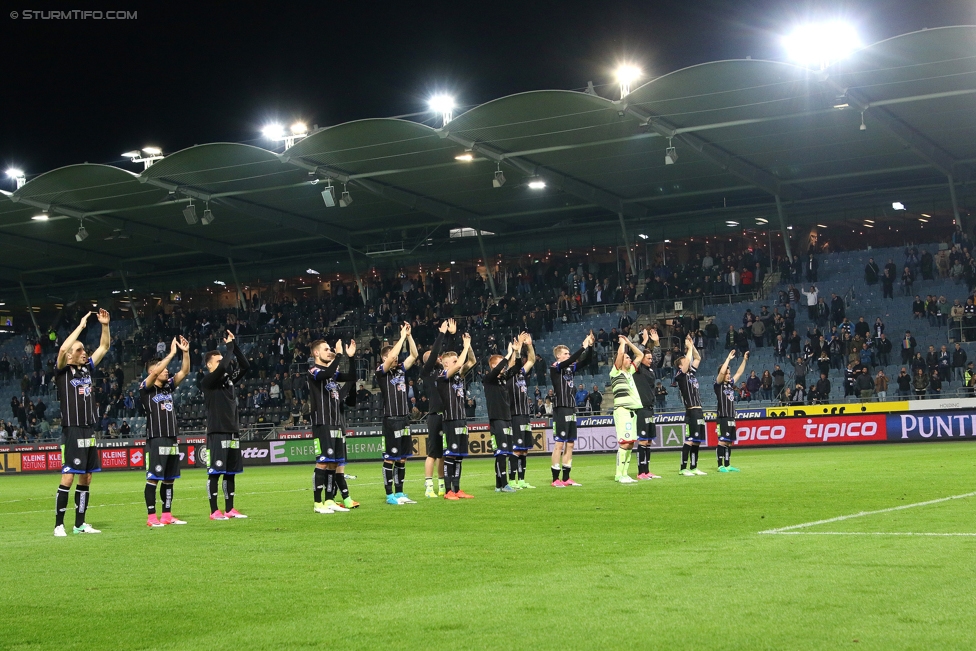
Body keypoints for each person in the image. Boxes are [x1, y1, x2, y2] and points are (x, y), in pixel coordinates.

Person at [53, 309, 111, 537]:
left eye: (84, 350)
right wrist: (80, 326)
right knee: (68, 475)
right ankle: (59, 524)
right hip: (73, 429)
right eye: (79, 350)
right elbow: (62, 348)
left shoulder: (87, 369)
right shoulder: (62, 372)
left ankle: (79, 524)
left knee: (86, 477)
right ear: (69, 355)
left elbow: (104, 347)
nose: (84, 353)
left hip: (89, 428)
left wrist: (105, 325)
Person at [140, 336, 191, 528]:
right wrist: (170, 354)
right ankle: (152, 517)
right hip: (156, 438)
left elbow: (184, 371)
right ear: (153, 371)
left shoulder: (168, 386)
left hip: (171, 438)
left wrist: (185, 353)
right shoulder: (146, 388)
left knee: (169, 479)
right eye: (163, 369)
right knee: (154, 478)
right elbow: (154, 375)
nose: (167, 371)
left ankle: (167, 514)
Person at [200, 330, 250, 521]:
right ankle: (214, 510)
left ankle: (230, 509)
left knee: (230, 472)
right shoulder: (208, 381)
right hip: (217, 431)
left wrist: (235, 346)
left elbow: (245, 365)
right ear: (209, 365)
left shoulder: (228, 380)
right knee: (216, 472)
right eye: (218, 360)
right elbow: (223, 369)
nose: (222, 363)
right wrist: (228, 348)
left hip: (232, 430)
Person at [307, 338, 359, 514]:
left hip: (336, 423)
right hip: (323, 422)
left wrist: (350, 358)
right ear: (316, 353)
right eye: (326, 349)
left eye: (331, 349)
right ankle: (317, 503)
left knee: (333, 464)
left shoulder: (332, 374)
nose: (329, 351)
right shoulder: (313, 370)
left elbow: (352, 377)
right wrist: (337, 355)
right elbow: (324, 374)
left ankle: (329, 499)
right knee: (322, 462)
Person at [376, 323, 420, 505]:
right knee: (390, 457)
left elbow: (415, 355)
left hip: (404, 418)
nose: (395, 358)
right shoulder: (381, 371)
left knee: (402, 458)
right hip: (391, 419)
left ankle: (400, 492)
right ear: (385, 357)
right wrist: (400, 337)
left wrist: (409, 336)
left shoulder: (401, 369)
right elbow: (393, 354)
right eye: (391, 356)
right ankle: (389, 495)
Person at [549, 332, 594, 487]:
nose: (568, 356)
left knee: (570, 444)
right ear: (559, 357)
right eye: (566, 354)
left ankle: (567, 477)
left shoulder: (569, 369)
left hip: (571, 407)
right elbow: (573, 359)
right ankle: (555, 479)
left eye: (569, 353)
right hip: (560, 407)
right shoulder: (555, 368)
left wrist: (590, 347)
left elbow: (587, 361)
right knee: (559, 444)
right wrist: (582, 347)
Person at [439, 333, 476, 499]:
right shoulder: (443, 376)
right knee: (450, 455)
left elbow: (472, 361)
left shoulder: (459, 376)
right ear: (445, 364)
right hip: (450, 419)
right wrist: (465, 346)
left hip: (461, 418)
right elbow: (462, 362)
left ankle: (457, 488)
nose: (457, 363)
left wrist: (470, 346)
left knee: (460, 456)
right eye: (453, 361)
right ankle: (448, 491)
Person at [421, 319, 453, 498]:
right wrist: (441, 334)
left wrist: (452, 335)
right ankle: (428, 486)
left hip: (446, 416)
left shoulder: (443, 374)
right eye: (435, 357)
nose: (439, 358)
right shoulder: (426, 373)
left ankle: (442, 485)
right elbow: (434, 354)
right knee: (432, 453)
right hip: (434, 416)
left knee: (443, 454)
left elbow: (451, 357)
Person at [610, 335, 646, 484]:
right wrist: (622, 344)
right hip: (622, 410)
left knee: (630, 443)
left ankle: (625, 473)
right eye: (626, 358)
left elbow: (640, 355)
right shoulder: (616, 372)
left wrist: (630, 343)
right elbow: (619, 355)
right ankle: (619, 474)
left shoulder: (630, 371)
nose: (629, 360)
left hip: (632, 411)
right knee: (624, 442)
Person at [484, 338, 518, 493]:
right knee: (500, 452)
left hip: (507, 418)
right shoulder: (488, 379)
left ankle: (499, 484)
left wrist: (515, 352)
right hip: (497, 419)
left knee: (505, 452)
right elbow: (500, 369)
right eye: (500, 364)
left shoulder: (503, 379)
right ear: (493, 366)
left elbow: (513, 368)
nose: (504, 368)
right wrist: (508, 353)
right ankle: (504, 484)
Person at [507, 332, 537, 489]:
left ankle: (522, 480)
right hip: (515, 415)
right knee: (516, 450)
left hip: (525, 414)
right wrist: (516, 349)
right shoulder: (508, 376)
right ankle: (512, 480)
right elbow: (514, 361)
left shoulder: (521, 374)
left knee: (524, 450)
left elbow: (532, 359)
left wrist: (529, 345)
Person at [674, 335, 707, 476]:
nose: (688, 362)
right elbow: (688, 361)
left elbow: (698, 358)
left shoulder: (691, 374)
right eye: (685, 362)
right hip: (691, 411)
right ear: (681, 366)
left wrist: (692, 346)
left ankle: (694, 467)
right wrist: (687, 348)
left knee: (697, 440)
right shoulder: (680, 376)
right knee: (689, 440)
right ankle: (683, 467)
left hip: (699, 410)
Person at [714, 350, 748, 472]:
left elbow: (739, 372)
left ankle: (728, 465)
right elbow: (722, 371)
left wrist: (744, 360)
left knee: (729, 442)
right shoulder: (718, 385)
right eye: (727, 373)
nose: (728, 375)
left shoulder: (730, 385)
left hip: (731, 417)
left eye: (729, 373)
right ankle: (720, 465)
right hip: (722, 416)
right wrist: (728, 358)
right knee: (722, 441)